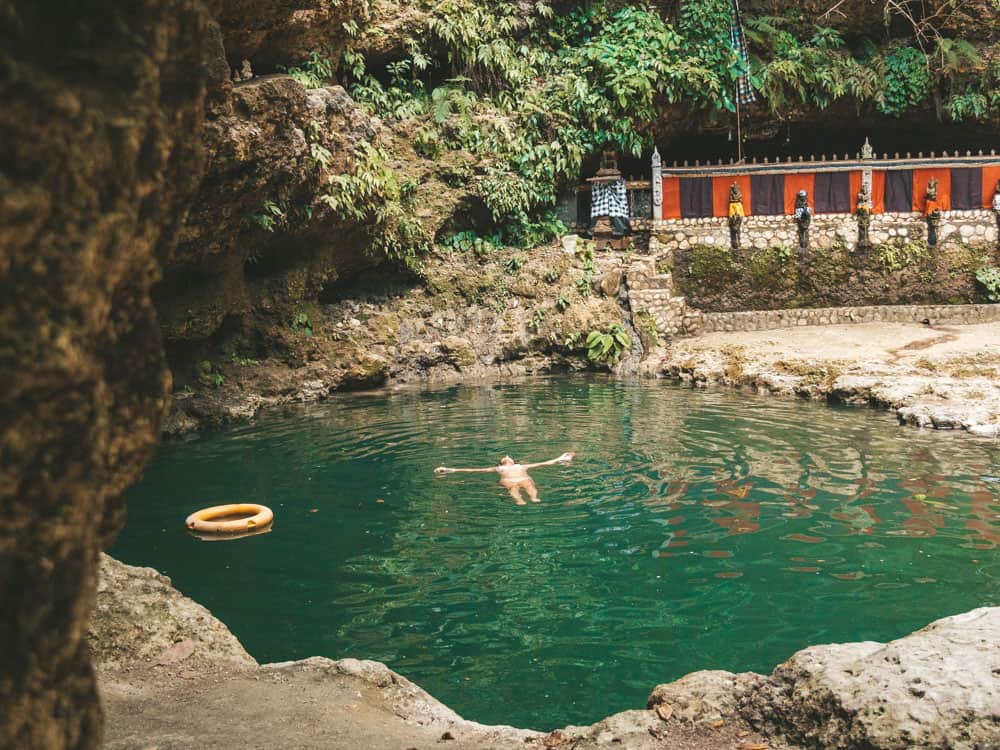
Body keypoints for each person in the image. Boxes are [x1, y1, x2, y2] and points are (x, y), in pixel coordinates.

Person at [434, 452, 574, 505]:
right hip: (507, 480)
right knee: (513, 488)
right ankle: (519, 500)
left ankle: (533, 498)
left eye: (509, 456)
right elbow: (472, 470)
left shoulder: (522, 466)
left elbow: (545, 463)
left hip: (523, 477)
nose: (507, 456)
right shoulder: (498, 468)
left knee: (529, 485)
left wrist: (561, 457)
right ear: (500, 463)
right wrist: (448, 469)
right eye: (504, 457)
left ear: (513, 461)